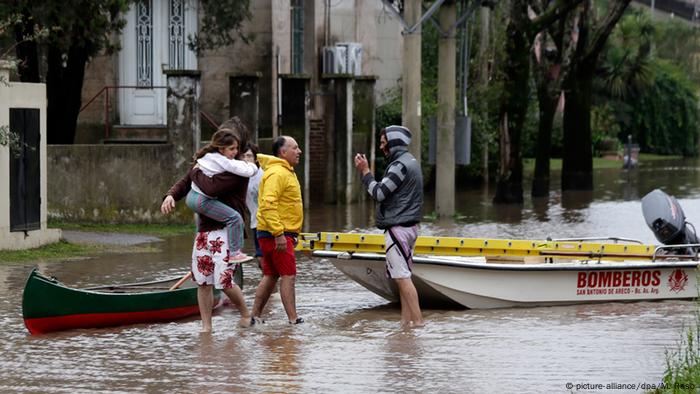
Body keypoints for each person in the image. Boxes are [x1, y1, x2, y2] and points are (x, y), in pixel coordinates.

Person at [161, 120, 253, 332]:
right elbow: (186, 182)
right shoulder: (209, 164)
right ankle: (206, 328)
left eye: (234, 147)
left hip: (225, 232)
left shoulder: (238, 171)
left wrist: (195, 170)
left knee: (225, 281)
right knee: (202, 282)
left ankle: (247, 314)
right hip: (204, 230)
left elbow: (209, 188)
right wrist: (170, 195)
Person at [353, 125, 425, 328]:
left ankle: (418, 323)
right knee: (402, 275)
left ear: (393, 143)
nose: (381, 147)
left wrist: (366, 172)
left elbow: (379, 193)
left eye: (384, 143)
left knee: (402, 278)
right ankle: (406, 323)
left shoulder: (399, 166)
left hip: (398, 229)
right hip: (409, 227)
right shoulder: (411, 161)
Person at [250, 135, 304, 325]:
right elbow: (267, 205)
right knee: (288, 276)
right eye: (295, 148)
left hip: (274, 233)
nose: (299, 151)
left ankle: (254, 317)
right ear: (283, 152)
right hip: (275, 235)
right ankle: (293, 320)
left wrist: (290, 233)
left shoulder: (283, 171)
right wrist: (280, 234)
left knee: (271, 275)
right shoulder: (278, 173)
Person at [186, 129, 258, 263]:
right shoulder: (223, 162)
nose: (235, 152)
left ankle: (233, 252)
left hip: (193, 197)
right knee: (234, 218)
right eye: (232, 149)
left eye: (237, 148)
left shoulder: (208, 157)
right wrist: (253, 167)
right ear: (221, 149)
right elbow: (211, 189)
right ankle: (235, 253)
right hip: (201, 200)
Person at [242, 143, 264, 268]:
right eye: (243, 156)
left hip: (268, 223)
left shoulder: (264, 175)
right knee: (261, 260)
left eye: (249, 156)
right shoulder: (240, 176)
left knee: (267, 261)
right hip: (255, 223)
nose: (246, 159)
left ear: (256, 158)